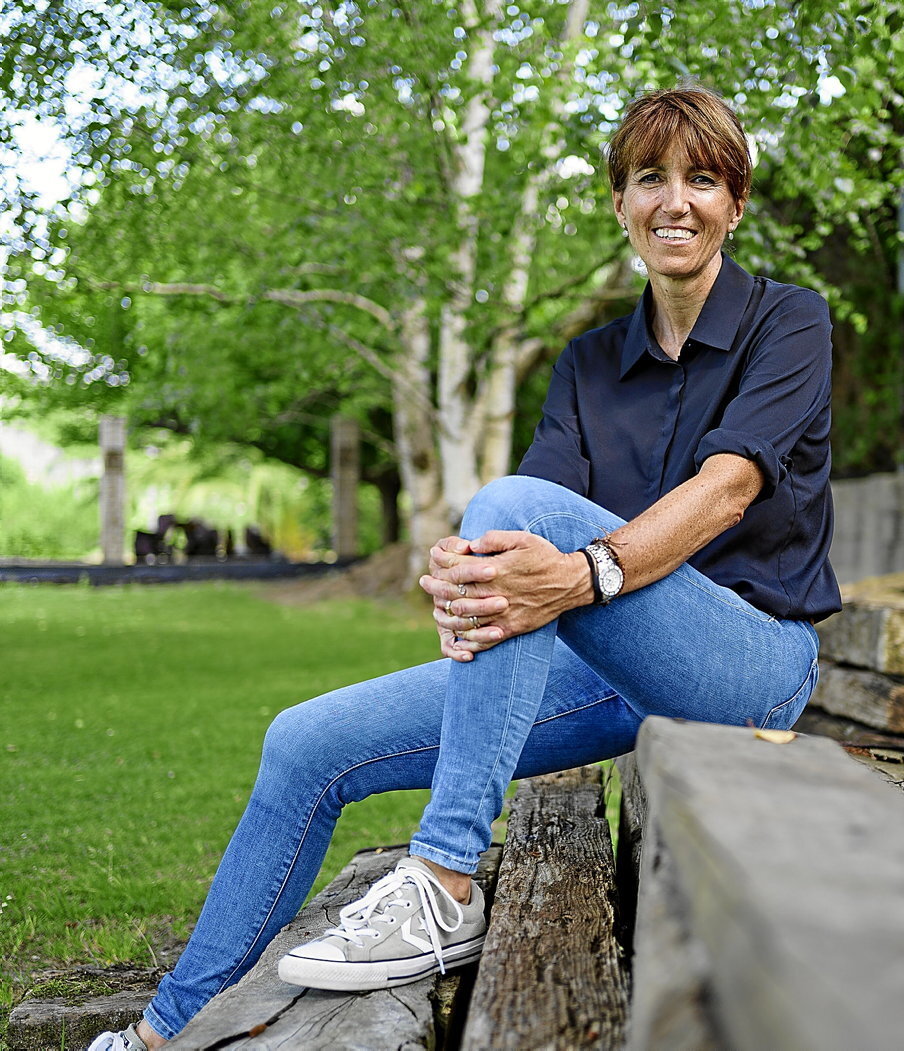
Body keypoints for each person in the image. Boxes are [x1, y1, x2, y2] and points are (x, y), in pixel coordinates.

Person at [89, 84, 840, 1050]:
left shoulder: (790, 321)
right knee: (302, 742)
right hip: (611, 673)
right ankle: (163, 1032)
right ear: (619, 202)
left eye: (702, 179)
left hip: (749, 668)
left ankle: (443, 879)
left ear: (735, 203)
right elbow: (515, 533)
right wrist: (464, 574)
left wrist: (585, 574)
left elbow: (728, 488)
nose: (674, 201)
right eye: (650, 177)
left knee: (513, 513)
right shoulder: (588, 365)